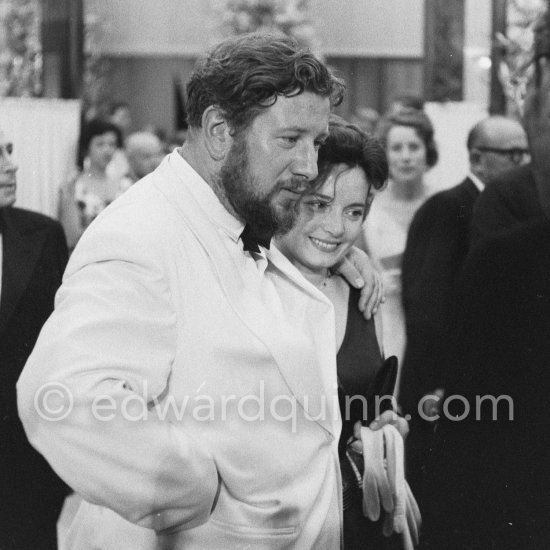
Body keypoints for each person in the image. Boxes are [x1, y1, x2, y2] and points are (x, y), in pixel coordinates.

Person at [17, 33, 383, 549]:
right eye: (290, 139)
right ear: (218, 131)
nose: (308, 166)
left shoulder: (237, 210)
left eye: (317, 143)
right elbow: (60, 401)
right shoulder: (141, 233)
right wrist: (196, 494)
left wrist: (342, 255)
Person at [275, 114, 408, 548]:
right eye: (318, 204)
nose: (337, 228)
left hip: (353, 523)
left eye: (355, 211)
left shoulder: (362, 294)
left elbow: (371, 400)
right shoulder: (247, 286)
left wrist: (378, 431)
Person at [398, 115, 528, 509]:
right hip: (443, 386)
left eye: (525, 152)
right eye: (513, 154)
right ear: (477, 159)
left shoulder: (502, 207)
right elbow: (426, 304)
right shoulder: (449, 208)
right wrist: (441, 385)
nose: (524, 162)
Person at [0, 128, 69, 549]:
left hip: (23, 467)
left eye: (8, 150)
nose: (12, 164)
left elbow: (64, 349)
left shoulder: (43, 236)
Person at [359, 107, 438, 366]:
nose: (406, 157)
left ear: (428, 151)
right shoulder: (367, 205)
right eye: (397, 148)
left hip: (431, 327)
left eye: (414, 147)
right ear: (386, 154)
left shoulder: (444, 205)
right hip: (382, 321)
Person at [58, 118, 131, 250]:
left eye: (112, 144)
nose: (107, 150)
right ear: (87, 147)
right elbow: (71, 237)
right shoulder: (74, 186)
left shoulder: (125, 185)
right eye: (100, 144)